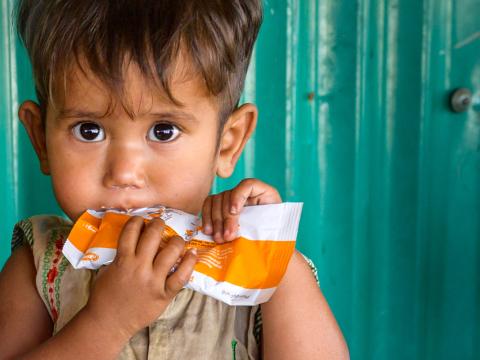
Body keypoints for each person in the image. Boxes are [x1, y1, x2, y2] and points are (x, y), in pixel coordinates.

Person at [0, 1, 349, 359]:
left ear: (227, 144)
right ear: (41, 140)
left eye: (163, 131)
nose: (124, 173)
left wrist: (272, 256)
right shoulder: (41, 268)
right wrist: (107, 322)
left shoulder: (251, 275)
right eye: (89, 131)